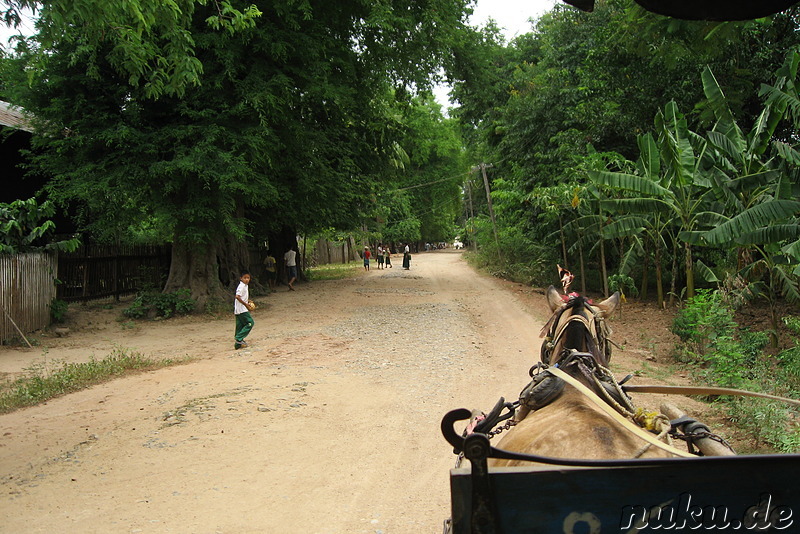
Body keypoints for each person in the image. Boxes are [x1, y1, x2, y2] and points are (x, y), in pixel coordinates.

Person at [234, 271, 255, 350]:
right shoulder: (241, 286)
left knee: (240, 326)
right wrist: (246, 304)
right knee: (250, 323)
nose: (246, 279)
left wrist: (248, 300)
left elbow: (242, 297)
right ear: (241, 278)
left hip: (238, 310)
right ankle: (239, 338)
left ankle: (237, 345)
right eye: (245, 278)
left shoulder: (245, 286)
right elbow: (237, 297)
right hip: (242, 309)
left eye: (248, 278)